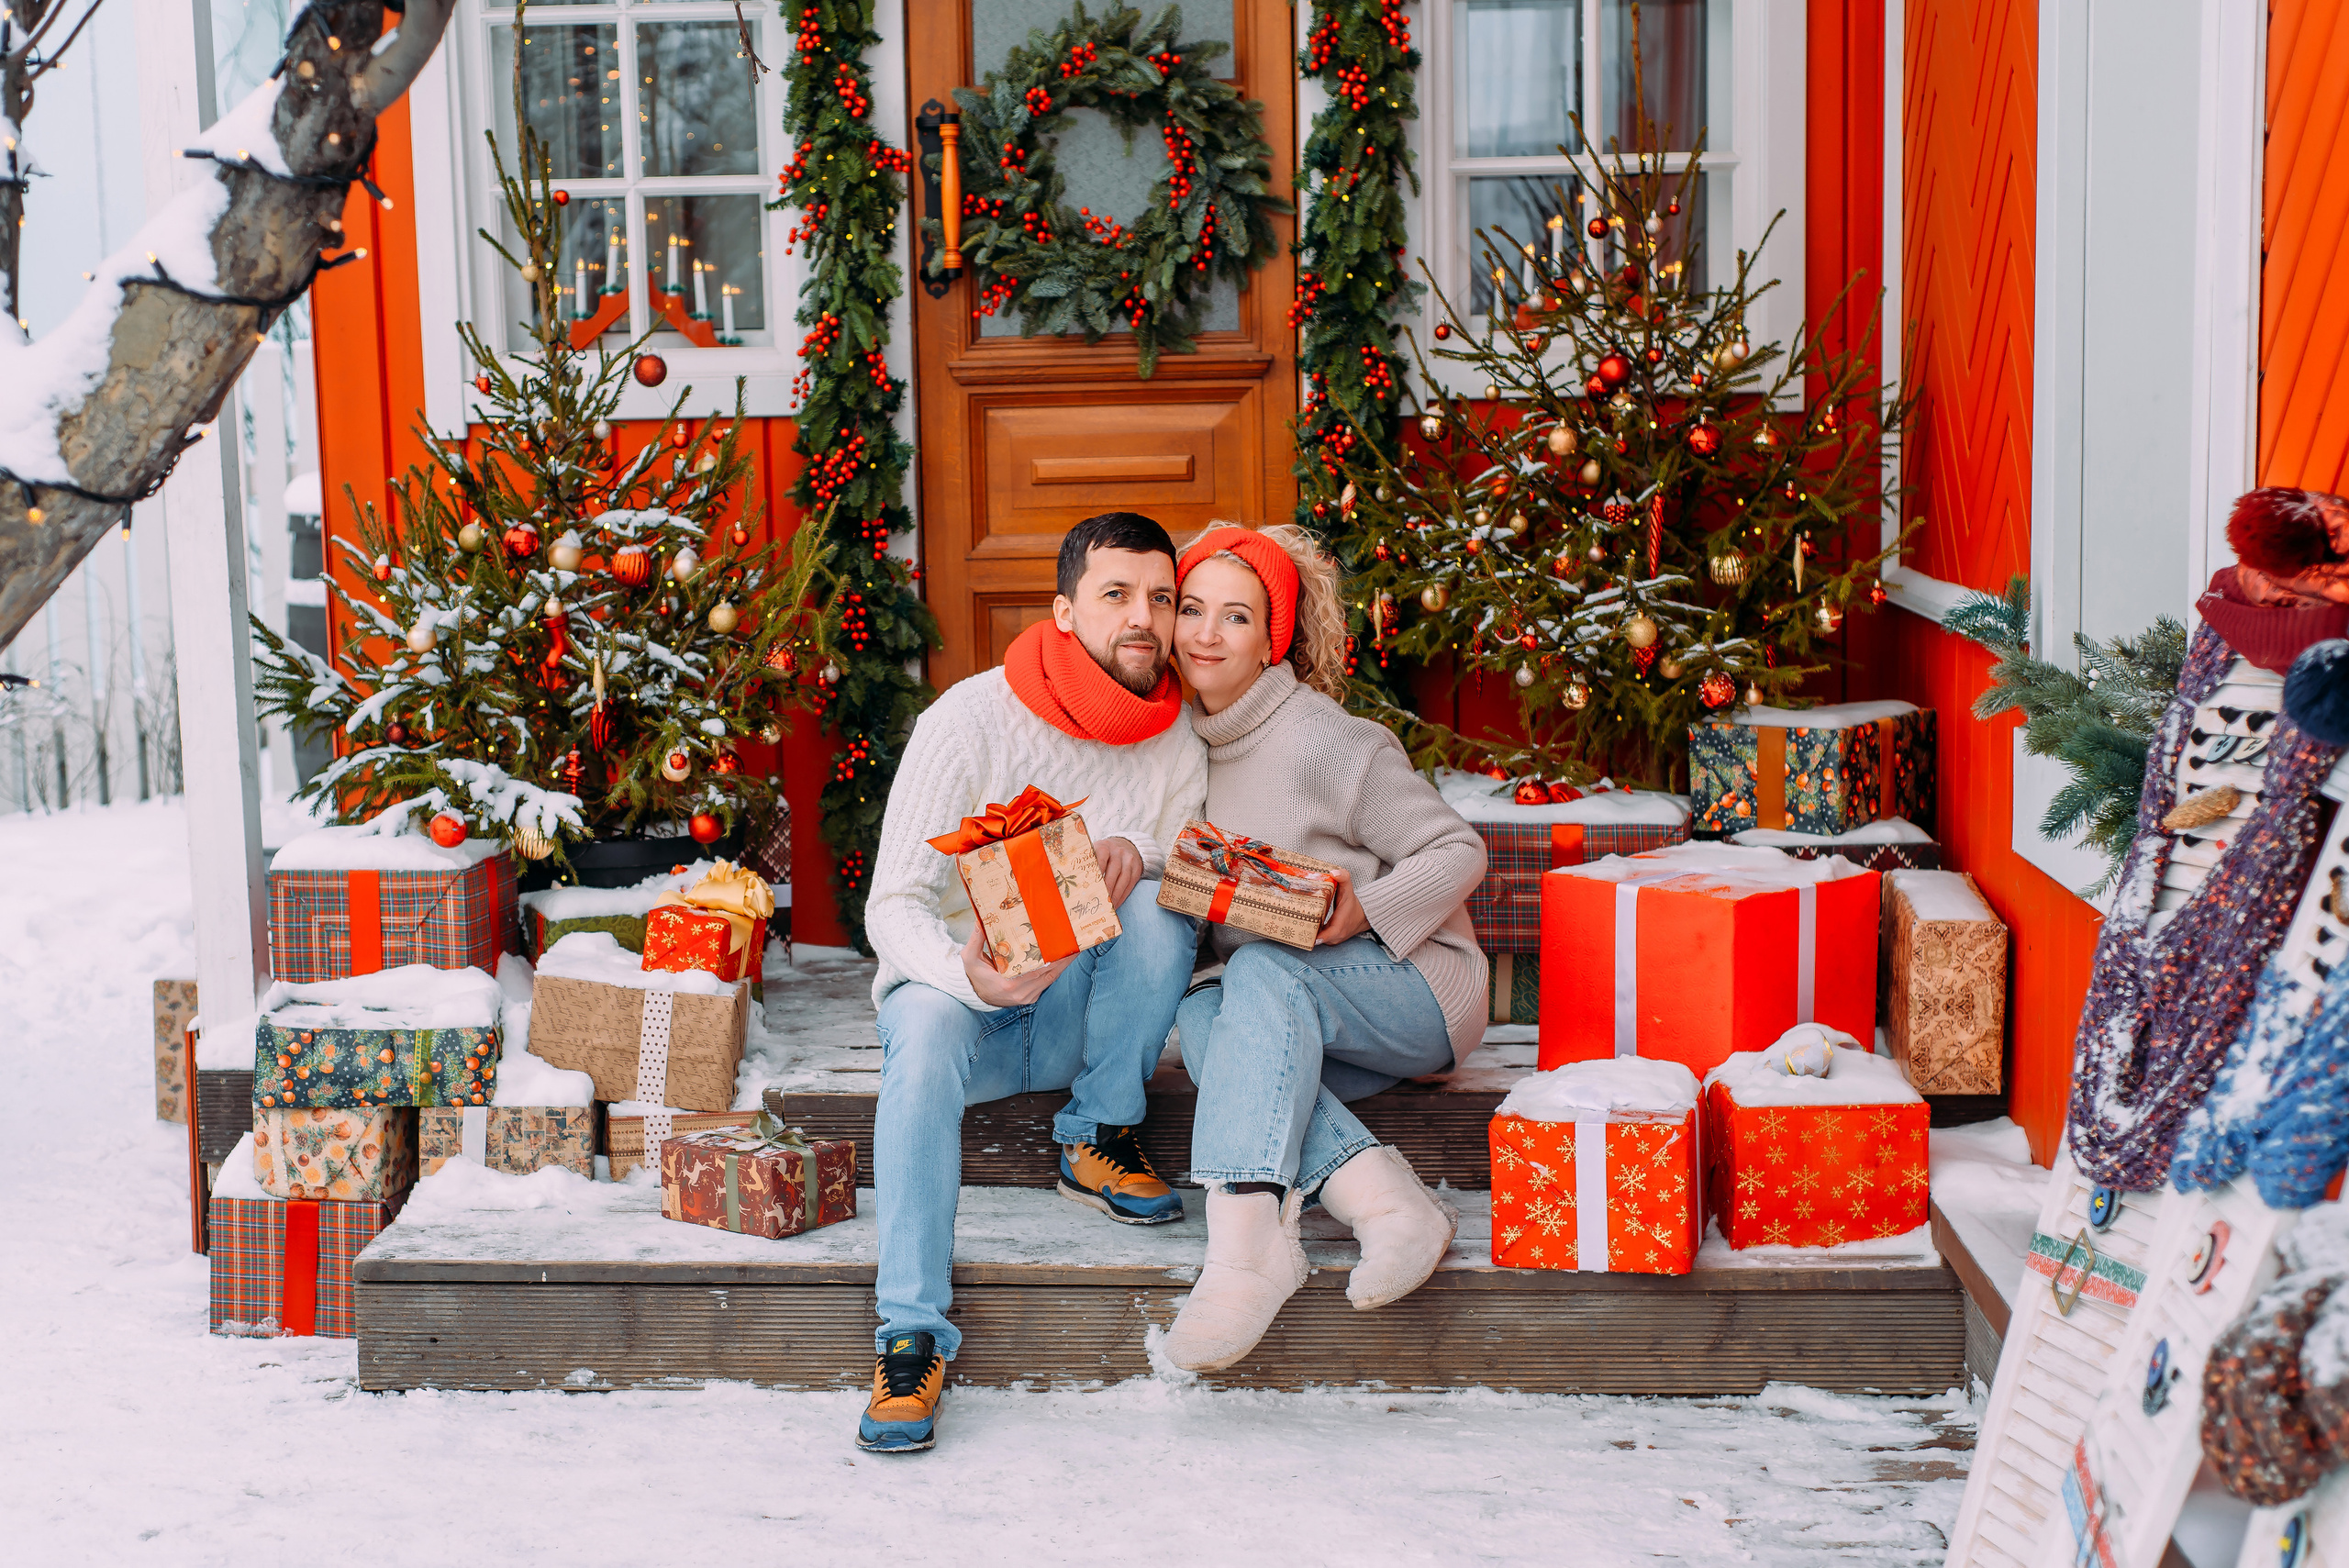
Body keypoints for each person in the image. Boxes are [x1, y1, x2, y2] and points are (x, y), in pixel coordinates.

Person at [855, 512, 1207, 1451]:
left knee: (1158, 899)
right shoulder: (967, 720)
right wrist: (965, 975)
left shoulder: (1175, 738)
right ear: (1063, 611)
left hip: (1068, 1022)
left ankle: (1095, 1136)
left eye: (1161, 598)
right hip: (961, 1012)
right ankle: (910, 1334)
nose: (1144, 618)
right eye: (1116, 595)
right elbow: (891, 905)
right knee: (923, 1034)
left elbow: (1187, 878)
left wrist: (1146, 853)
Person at [1160, 522, 1488, 1372]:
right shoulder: (1175, 746)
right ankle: (1385, 1201)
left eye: (1234, 617)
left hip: (1416, 987)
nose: (1204, 633)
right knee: (1206, 1012)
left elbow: (1459, 850)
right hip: (1296, 1007)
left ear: (1270, 636)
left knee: (1259, 970)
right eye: (1191, 608)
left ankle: (1245, 1252)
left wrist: (1363, 908)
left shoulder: (1321, 738)